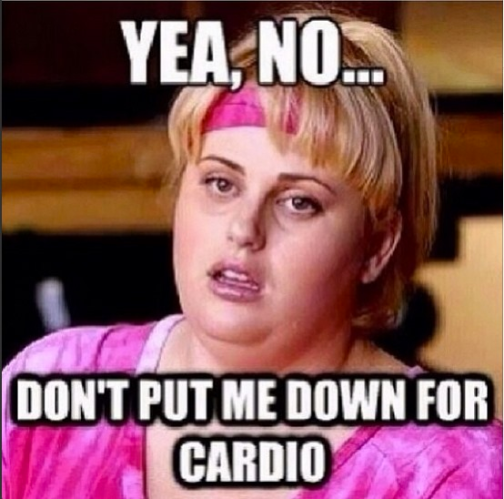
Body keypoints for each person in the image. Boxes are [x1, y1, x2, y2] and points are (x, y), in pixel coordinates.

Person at [3, 8, 502, 499]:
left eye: (298, 202)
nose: (244, 229)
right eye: (221, 183)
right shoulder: (51, 387)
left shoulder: (450, 473)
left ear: (376, 246)